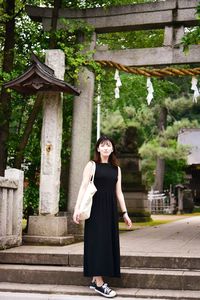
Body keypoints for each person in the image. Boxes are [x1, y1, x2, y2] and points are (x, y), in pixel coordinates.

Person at [73, 135, 132, 298]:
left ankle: (94, 280)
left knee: (106, 242)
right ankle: (100, 284)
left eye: (109, 145)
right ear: (98, 148)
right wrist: (76, 209)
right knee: (97, 243)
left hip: (110, 210)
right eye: (102, 145)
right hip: (95, 210)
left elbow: (118, 193)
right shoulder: (92, 165)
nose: (106, 148)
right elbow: (83, 187)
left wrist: (125, 213)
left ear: (112, 149)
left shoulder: (116, 169)